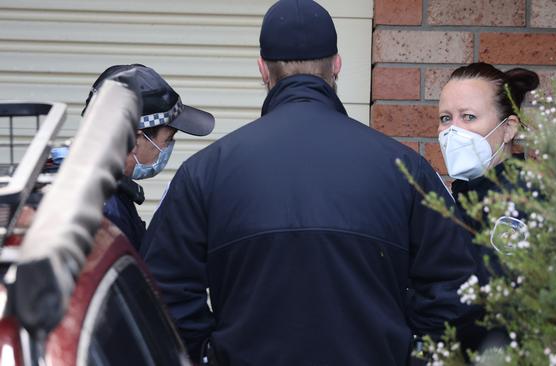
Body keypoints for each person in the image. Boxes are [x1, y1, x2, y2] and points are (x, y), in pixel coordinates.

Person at [140, 1, 476, 364]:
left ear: (262, 70)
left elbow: (159, 295)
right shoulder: (406, 169)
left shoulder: (204, 172)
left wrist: (210, 355)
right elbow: (458, 293)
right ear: (337, 65)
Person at [437, 62, 539, 352]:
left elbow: (488, 298)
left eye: (468, 117)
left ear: (508, 129)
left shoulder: (525, 199)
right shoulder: (460, 197)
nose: (452, 131)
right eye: (445, 118)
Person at [81, 64, 215, 251]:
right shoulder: (107, 218)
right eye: (167, 139)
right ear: (134, 139)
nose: (167, 148)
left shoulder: (102, 189)